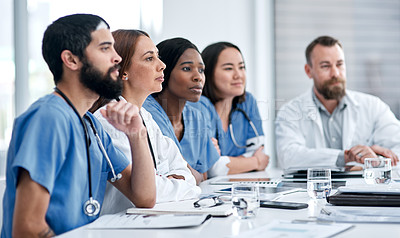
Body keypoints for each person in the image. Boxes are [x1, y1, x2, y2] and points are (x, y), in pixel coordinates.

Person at [1, 14, 156, 238]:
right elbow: (28, 228)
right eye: (105, 48)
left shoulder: (90, 124)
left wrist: (137, 133)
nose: (117, 58)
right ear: (71, 60)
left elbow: (144, 197)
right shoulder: (48, 118)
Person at [90, 31, 201, 215]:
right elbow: (148, 192)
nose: (162, 65)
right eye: (150, 58)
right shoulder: (110, 120)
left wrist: (169, 180)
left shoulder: (146, 117)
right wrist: (168, 180)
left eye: (158, 56)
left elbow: (187, 175)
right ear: (122, 71)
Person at [275, 35, 400, 170]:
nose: (335, 73)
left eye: (340, 64)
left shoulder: (373, 106)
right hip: (312, 191)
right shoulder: (291, 111)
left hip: (363, 190)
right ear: (308, 71)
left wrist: (375, 160)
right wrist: (345, 157)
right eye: (325, 66)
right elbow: (288, 157)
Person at [143, 37, 223, 181]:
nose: (198, 77)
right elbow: (166, 178)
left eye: (201, 70)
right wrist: (193, 175)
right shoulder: (147, 112)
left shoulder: (197, 118)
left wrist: (192, 175)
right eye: (187, 68)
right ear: (163, 71)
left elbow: (203, 175)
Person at [191, 42, 269, 175]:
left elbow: (260, 152)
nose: (238, 75)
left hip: (243, 188)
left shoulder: (247, 102)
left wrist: (226, 163)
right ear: (207, 72)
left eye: (242, 67)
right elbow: (211, 168)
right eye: (228, 68)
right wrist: (254, 162)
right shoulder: (198, 106)